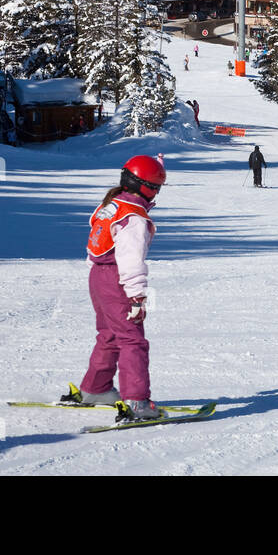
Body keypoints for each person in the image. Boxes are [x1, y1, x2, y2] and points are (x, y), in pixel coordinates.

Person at [73, 155, 167, 419]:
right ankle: (136, 401)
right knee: (132, 339)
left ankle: (96, 388)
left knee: (110, 334)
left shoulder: (110, 206)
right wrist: (137, 296)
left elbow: (96, 240)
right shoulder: (134, 218)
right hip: (117, 279)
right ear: (146, 187)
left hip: (98, 276)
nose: (156, 193)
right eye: (156, 187)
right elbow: (131, 259)